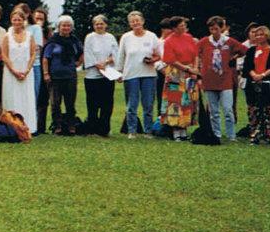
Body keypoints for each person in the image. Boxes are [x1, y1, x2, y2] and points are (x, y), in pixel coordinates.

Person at [197, 16, 246, 142]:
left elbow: (244, 50)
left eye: (216, 29)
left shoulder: (229, 42)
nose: (214, 31)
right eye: (211, 29)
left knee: (228, 109)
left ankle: (231, 135)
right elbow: (195, 53)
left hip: (225, 80)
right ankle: (216, 134)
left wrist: (234, 57)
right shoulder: (204, 42)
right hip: (209, 79)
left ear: (221, 28)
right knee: (213, 111)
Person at [117, 11, 161, 139]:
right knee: (132, 104)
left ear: (143, 21)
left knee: (148, 104)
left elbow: (159, 54)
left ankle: (148, 131)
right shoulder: (126, 37)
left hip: (149, 74)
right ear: (130, 24)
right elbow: (121, 56)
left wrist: (152, 60)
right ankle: (132, 130)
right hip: (131, 74)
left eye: (137, 20)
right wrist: (119, 72)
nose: (135, 23)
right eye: (132, 21)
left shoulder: (151, 36)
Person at [159, 16, 200, 140]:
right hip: (176, 74)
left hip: (190, 72)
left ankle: (185, 129)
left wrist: (195, 69)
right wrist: (187, 68)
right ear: (174, 28)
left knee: (188, 100)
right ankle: (176, 131)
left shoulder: (189, 38)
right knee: (176, 102)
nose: (184, 27)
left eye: (184, 25)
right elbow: (170, 60)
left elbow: (196, 54)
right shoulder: (169, 41)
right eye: (181, 26)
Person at [42, 15, 83, 136]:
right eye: (63, 25)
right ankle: (57, 126)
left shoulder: (75, 41)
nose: (66, 27)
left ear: (71, 27)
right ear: (59, 27)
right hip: (54, 77)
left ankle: (71, 126)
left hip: (70, 76)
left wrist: (78, 63)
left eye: (68, 25)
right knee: (55, 103)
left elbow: (81, 54)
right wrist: (46, 73)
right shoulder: (53, 42)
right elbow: (45, 58)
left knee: (70, 103)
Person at [243, 25, 270, 145]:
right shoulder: (251, 51)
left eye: (261, 34)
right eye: (257, 35)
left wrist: (263, 75)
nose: (259, 37)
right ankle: (254, 133)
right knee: (254, 109)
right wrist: (254, 75)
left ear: (267, 36)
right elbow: (247, 67)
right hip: (253, 83)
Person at [1, 8, 39, 131]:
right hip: (11, 72)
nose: (17, 22)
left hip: (26, 72)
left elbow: (33, 54)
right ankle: (12, 127)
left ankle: (29, 127)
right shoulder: (7, 36)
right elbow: (4, 55)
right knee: (12, 97)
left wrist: (27, 70)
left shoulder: (29, 36)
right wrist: (14, 71)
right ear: (11, 20)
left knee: (26, 98)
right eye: (14, 19)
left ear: (24, 21)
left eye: (19, 20)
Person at [82, 14, 117, 137]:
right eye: (96, 24)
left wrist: (106, 63)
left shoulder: (111, 37)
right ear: (93, 26)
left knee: (107, 104)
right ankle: (92, 129)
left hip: (107, 75)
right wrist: (97, 65)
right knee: (92, 104)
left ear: (106, 25)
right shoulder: (90, 37)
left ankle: (104, 129)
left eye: (101, 23)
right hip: (92, 75)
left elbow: (115, 54)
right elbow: (88, 53)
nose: (99, 26)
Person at [28, 6, 50, 133]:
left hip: (45, 67)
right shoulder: (30, 31)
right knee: (33, 94)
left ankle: (41, 126)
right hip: (34, 65)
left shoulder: (48, 33)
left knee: (43, 97)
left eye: (41, 19)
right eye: (37, 18)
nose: (39, 21)